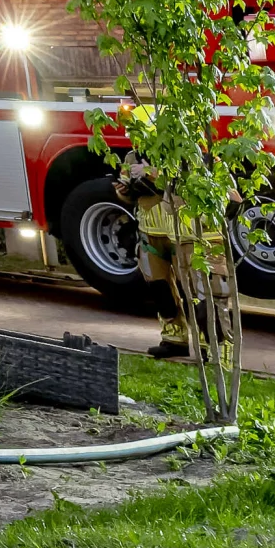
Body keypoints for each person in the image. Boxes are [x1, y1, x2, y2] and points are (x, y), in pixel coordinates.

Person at [111, 112, 192, 362]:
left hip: (181, 231)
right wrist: (123, 191)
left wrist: (152, 173)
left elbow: (186, 183)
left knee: (193, 289)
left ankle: (207, 344)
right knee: (159, 288)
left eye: (141, 133)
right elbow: (127, 194)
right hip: (150, 230)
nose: (136, 140)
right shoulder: (131, 157)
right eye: (133, 135)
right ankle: (173, 339)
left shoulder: (180, 151)